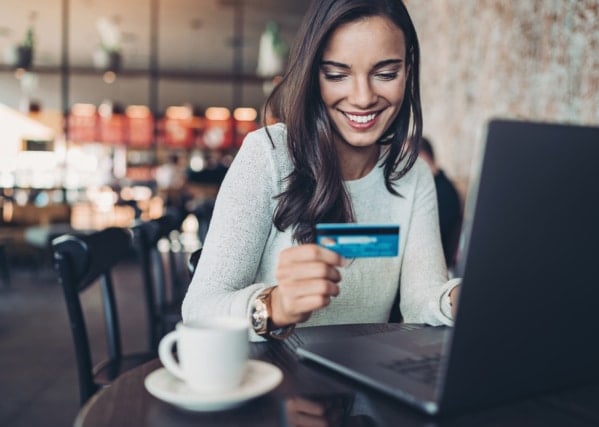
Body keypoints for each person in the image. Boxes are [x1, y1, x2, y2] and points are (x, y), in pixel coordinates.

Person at [182, 0, 461, 341]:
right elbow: (199, 307)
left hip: (363, 382)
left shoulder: (412, 175)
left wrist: (457, 298)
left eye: (386, 74)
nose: (362, 98)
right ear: (313, 75)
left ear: (408, 70)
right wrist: (275, 305)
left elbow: (421, 300)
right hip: (275, 380)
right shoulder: (269, 155)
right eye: (337, 74)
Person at [418, 136, 463, 268]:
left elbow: (430, 239)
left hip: (437, 265)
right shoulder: (436, 186)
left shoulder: (443, 192)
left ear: (422, 157)